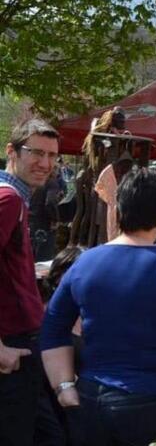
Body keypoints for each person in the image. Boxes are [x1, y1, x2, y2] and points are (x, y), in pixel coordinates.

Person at [40, 168, 156, 446]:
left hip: (91, 399)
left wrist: (64, 388)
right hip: (153, 403)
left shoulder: (85, 262)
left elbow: (52, 329)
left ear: (119, 211)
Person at [1, 119, 66, 446]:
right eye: (36, 153)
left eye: (52, 155)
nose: (46, 163)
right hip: (12, 347)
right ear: (11, 151)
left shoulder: (16, 198)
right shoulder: (9, 198)